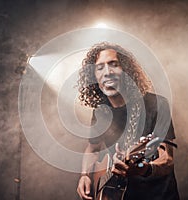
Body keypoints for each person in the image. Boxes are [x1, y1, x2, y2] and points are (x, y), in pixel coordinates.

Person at [76, 42, 179, 200]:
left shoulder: (156, 105)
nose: (107, 72)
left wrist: (144, 169)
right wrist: (85, 176)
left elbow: (167, 159)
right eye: (100, 67)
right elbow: (93, 148)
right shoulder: (101, 112)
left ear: (126, 71)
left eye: (113, 64)